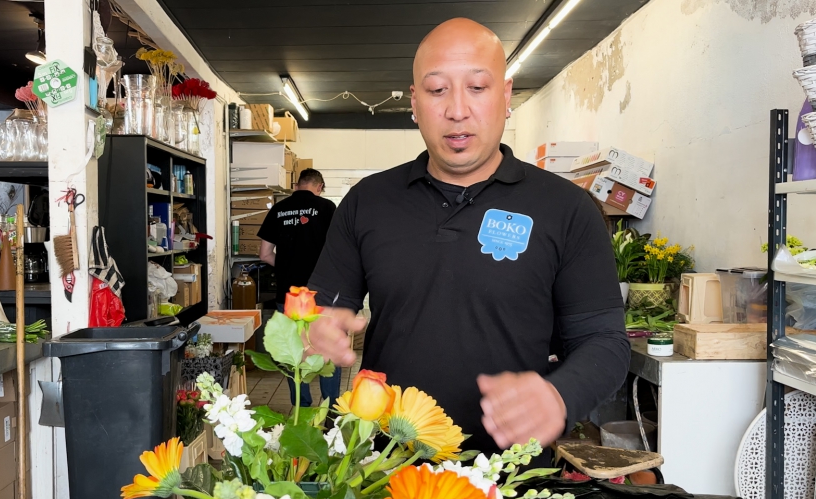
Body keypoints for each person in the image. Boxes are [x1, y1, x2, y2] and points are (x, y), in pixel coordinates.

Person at [306, 18, 630, 456]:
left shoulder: (566, 209)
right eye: (437, 90)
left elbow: (605, 341)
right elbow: (321, 308)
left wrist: (559, 395)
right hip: (382, 471)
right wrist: (314, 329)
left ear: (505, 95)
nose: (457, 110)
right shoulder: (369, 201)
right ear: (415, 102)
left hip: (512, 476)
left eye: (477, 87)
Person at [257, 168, 342, 407]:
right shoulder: (327, 208)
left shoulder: (278, 209)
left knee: (294, 352)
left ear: (296, 185)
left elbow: (264, 254)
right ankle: (331, 408)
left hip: (289, 295)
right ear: (319, 187)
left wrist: (285, 266)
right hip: (321, 294)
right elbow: (339, 251)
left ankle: (301, 407)